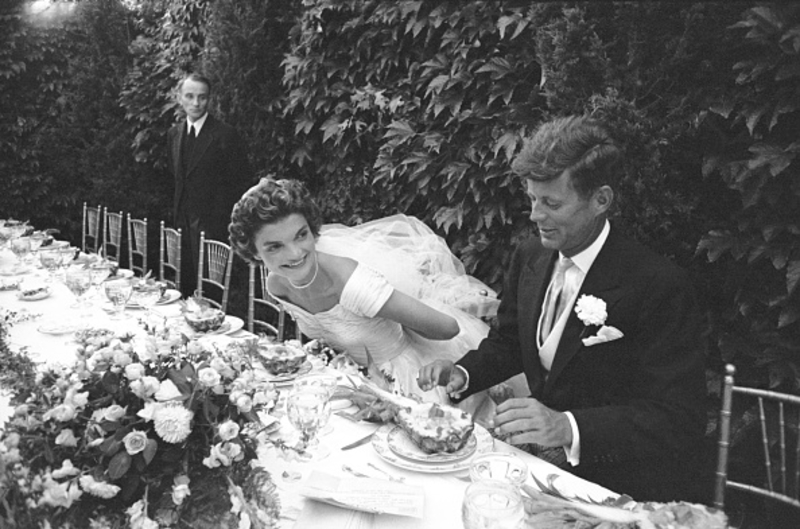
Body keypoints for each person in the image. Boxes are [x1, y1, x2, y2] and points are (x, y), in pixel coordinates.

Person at [417, 115, 707, 502]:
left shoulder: (658, 285)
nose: (536, 215)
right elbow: (510, 341)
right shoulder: (530, 255)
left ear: (601, 200)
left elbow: (677, 417)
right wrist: (465, 372)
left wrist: (567, 427)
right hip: (541, 470)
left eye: (551, 203)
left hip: (622, 483)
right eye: (532, 199)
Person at [228, 178, 526, 410]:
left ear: (312, 229)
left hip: (409, 386)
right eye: (274, 246)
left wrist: (392, 313)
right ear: (253, 251)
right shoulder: (276, 285)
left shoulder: (353, 284)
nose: (295, 253)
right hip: (356, 384)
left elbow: (448, 328)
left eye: (301, 235)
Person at [167, 72, 253, 297]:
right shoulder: (174, 134)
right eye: (190, 96)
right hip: (182, 223)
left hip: (212, 225)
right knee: (183, 287)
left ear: (209, 99)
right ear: (179, 97)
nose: (196, 103)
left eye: (202, 97)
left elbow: (239, 182)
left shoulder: (225, 135)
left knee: (211, 292)